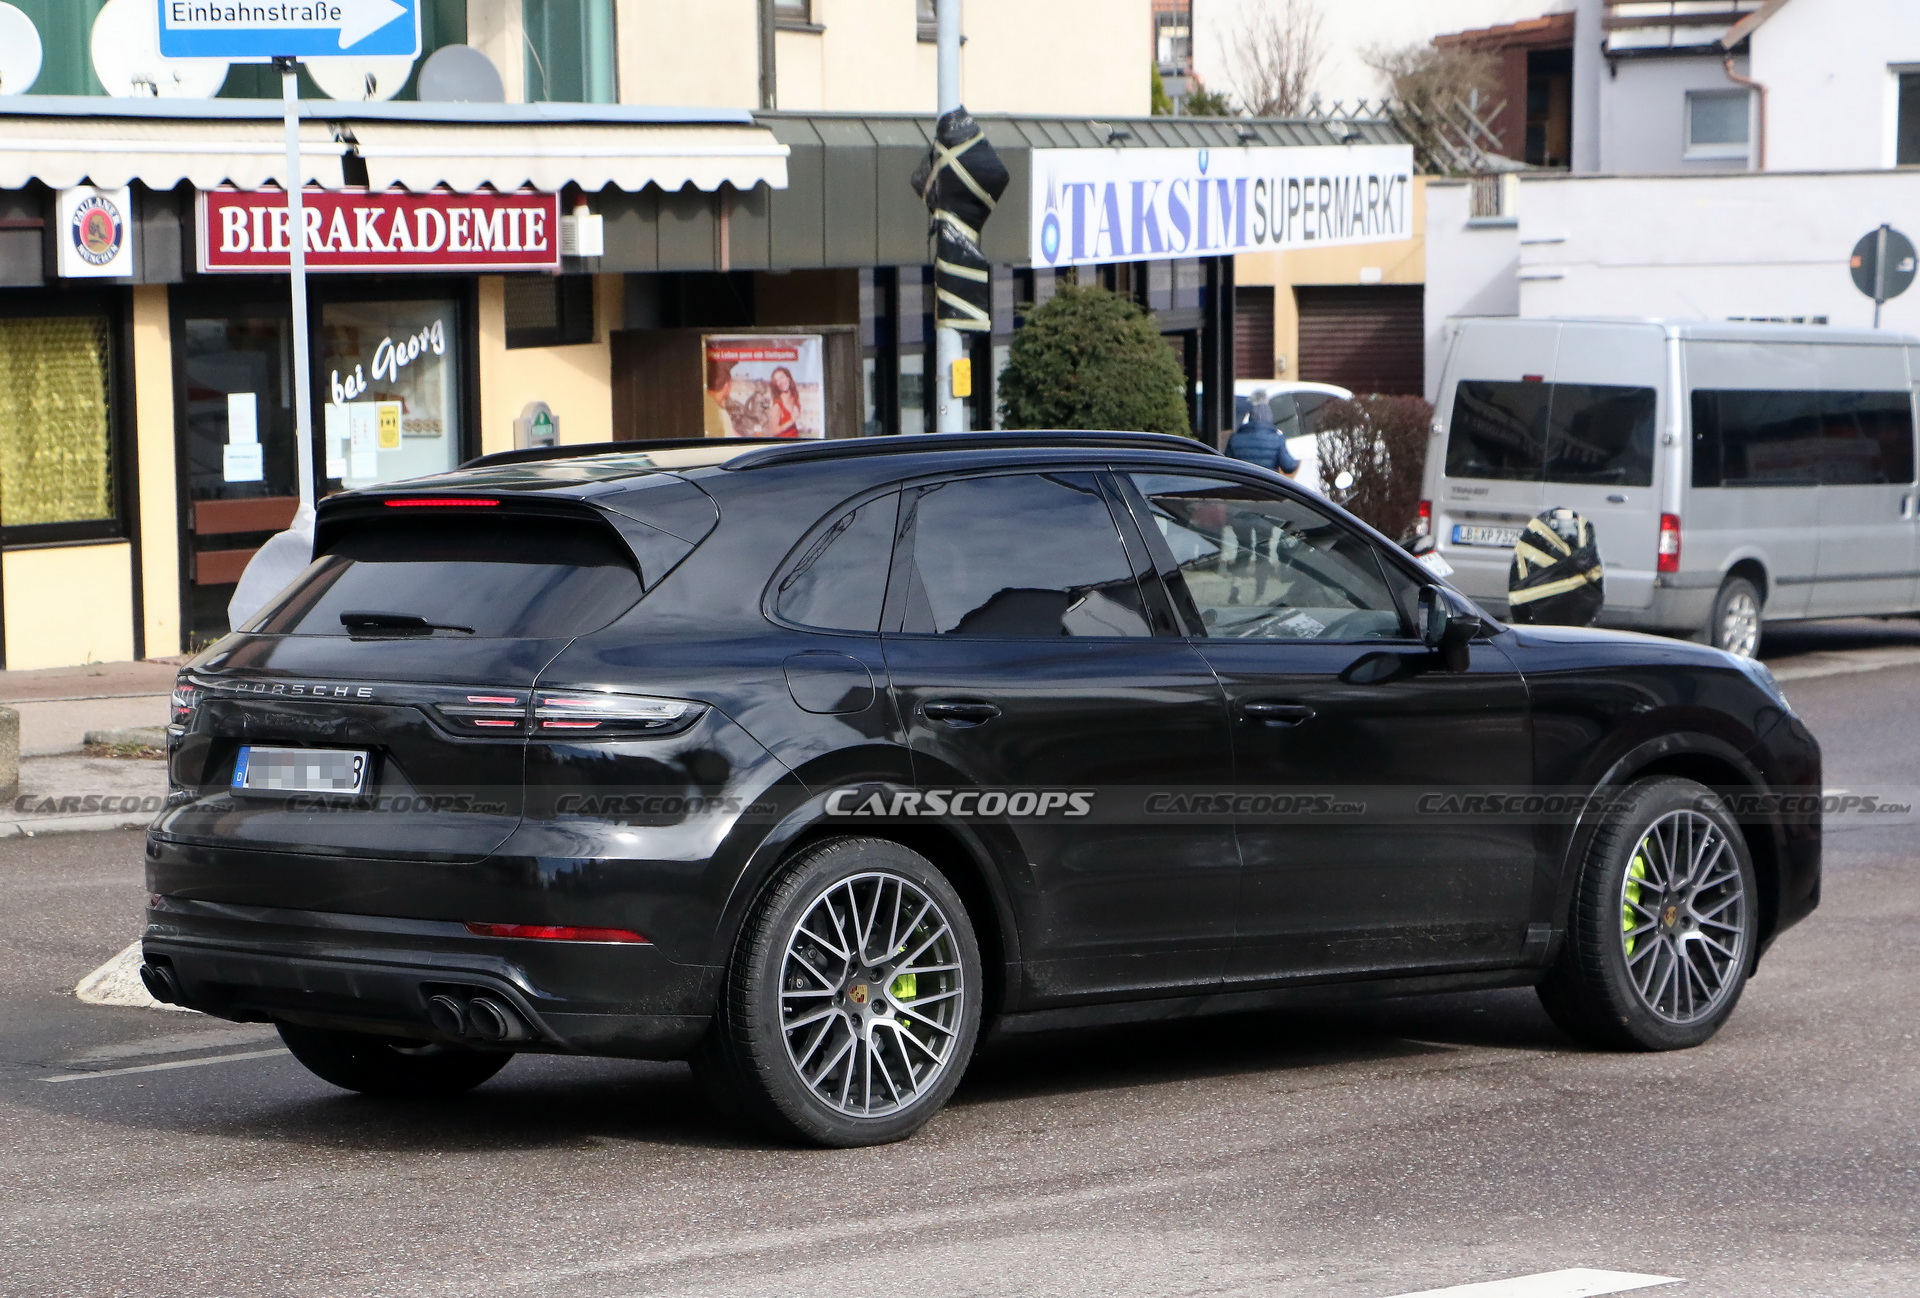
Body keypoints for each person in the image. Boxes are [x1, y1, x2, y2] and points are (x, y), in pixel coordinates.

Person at [1224, 388, 1300, 476]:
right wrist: (1300, 462)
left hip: (1242, 486)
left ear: (1250, 416)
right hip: (1267, 486)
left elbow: (1227, 466)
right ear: (1269, 417)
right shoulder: (1277, 439)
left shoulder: (1235, 439)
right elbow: (1288, 467)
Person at [769, 365, 804, 438]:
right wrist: (791, 421)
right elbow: (775, 431)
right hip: (783, 445)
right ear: (776, 385)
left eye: (781, 377)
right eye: (777, 380)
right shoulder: (777, 405)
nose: (780, 382)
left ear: (788, 378)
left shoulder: (795, 399)